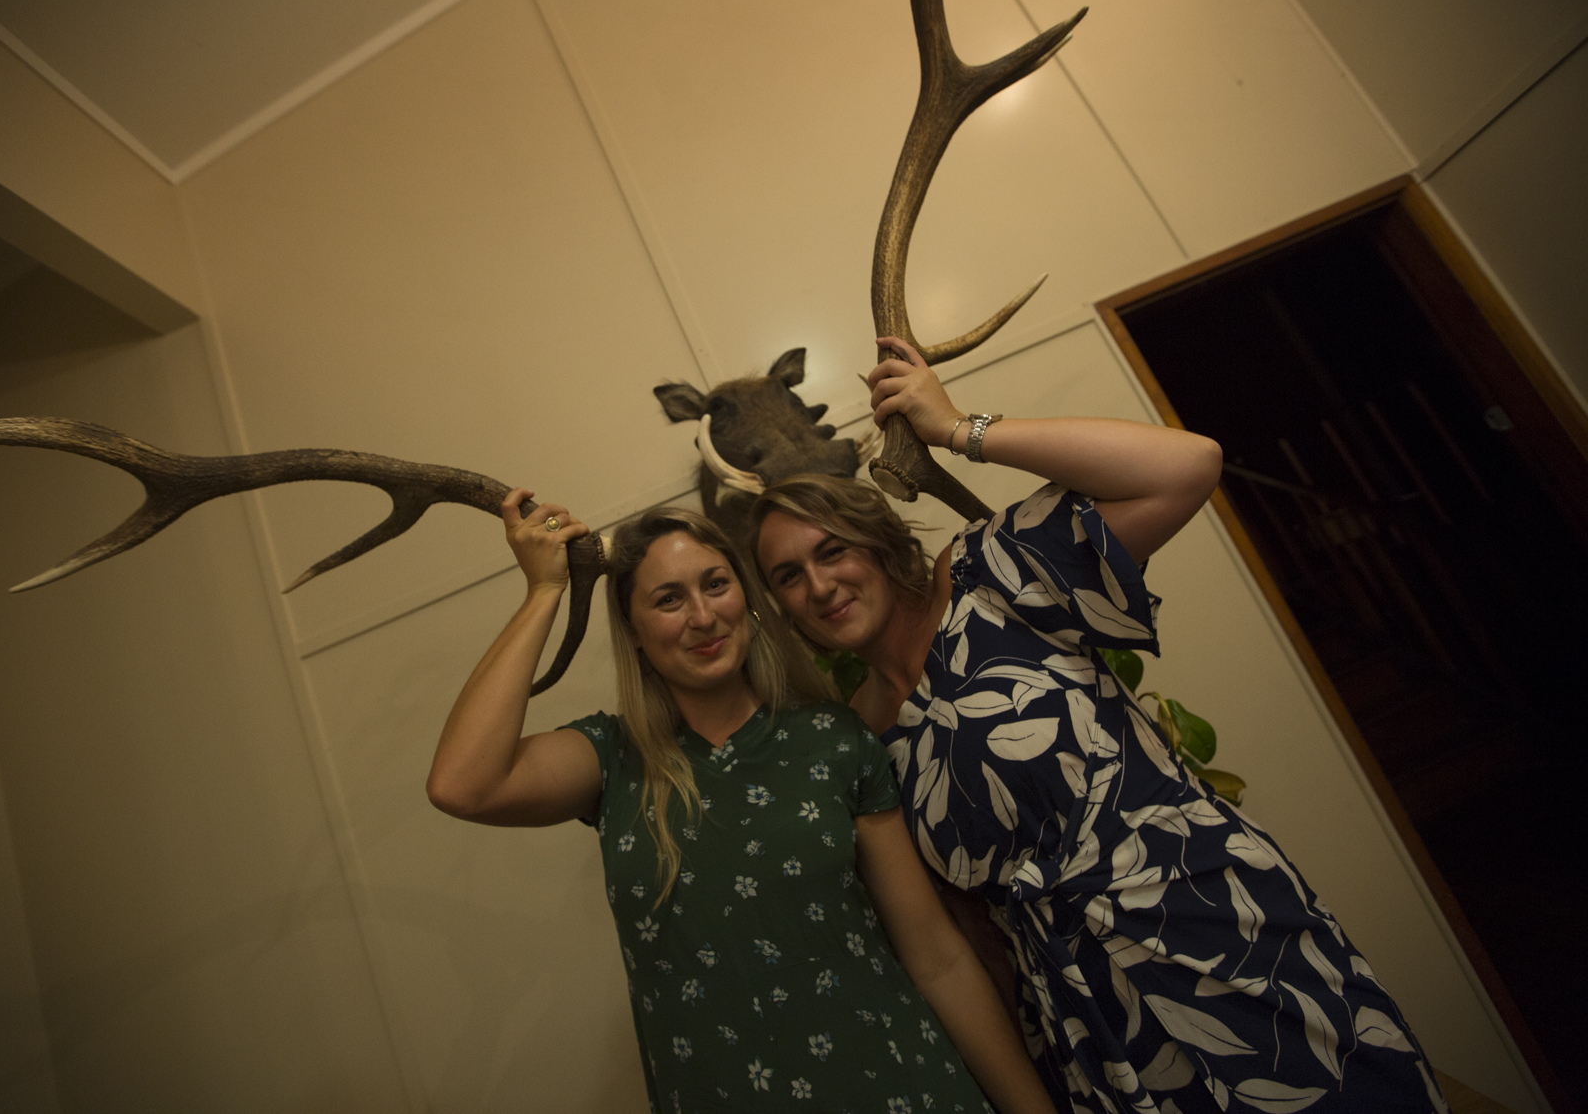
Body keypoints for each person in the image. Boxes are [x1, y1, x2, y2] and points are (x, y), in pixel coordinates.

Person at [747, 336, 1447, 1113]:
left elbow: (1187, 465)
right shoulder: (861, 740)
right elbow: (968, 938)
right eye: (788, 576)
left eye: (832, 550)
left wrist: (958, 429)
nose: (820, 585)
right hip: (1090, 1023)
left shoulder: (987, 574)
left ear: (876, 541)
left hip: (1215, 925)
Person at [427, 491, 1057, 1113]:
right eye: (668, 599)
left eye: (716, 585)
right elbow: (463, 784)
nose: (703, 617)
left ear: (748, 600)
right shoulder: (613, 758)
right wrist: (544, 590)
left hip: (899, 1084)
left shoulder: (835, 740)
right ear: (635, 632)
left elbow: (937, 959)